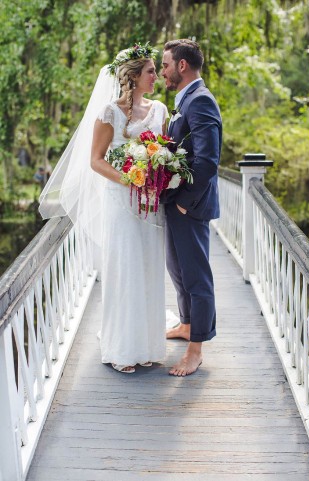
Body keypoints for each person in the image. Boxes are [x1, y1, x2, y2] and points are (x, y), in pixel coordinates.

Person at [39, 44, 169, 373]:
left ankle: (148, 345)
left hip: (150, 203)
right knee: (124, 268)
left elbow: (163, 152)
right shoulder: (109, 113)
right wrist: (129, 180)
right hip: (119, 200)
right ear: (133, 76)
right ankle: (122, 348)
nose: (156, 76)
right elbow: (96, 160)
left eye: (156, 70)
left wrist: (158, 175)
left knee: (149, 266)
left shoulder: (160, 111)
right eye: (151, 71)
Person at [159, 39, 222, 377]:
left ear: (182, 66)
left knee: (196, 278)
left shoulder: (200, 102)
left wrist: (184, 203)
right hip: (176, 203)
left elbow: (208, 162)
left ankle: (195, 350)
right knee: (178, 271)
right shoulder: (186, 101)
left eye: (166, 64)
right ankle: (186, 324)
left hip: (191, 206)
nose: (163, 71)